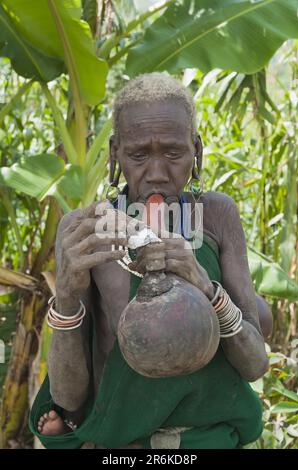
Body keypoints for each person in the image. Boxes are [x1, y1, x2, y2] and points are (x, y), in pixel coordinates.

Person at [30, 72, 272, 449]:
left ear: (197, 151)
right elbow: (67, 398)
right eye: (138, 155)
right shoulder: (85, 232)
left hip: (209, 439)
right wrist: (65, 296)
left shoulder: (217, 215)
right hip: (124, 446)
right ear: (114, 154)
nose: (157, 173)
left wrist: (206, 287)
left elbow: (255, 363)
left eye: (174, 153)